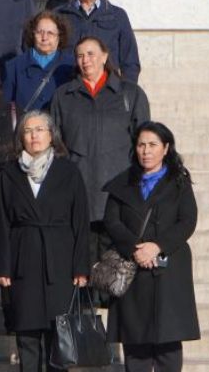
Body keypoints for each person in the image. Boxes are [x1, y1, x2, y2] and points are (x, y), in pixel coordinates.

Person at [0, 110, 89, 372]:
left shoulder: (68, 171)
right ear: (20, 137)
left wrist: (81, 266)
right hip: (24, 260)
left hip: (60, 261)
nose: (34, 136)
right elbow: (2, 222)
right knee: (28, 336)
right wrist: (3, 266)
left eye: (40, 130)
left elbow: (81, 222)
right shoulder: (9, 173)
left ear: (51, 135)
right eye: (28, 130)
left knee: (59, 335)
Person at [103, 122, 200, 372]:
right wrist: (137, 249)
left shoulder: (179, 181)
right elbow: (112, 221)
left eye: (153, 145)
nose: (146, 151)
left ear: (166, 148)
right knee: (136, 344)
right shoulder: (122, 182)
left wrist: (157, 246)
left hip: (170, 272)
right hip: (132, 269)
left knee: (169, 342)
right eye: (141, 145)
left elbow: (187, 221)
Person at [50, 35, 149, 265]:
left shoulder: (130, 94)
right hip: (79, 193)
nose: (86, 60)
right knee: (82, 268)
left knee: (114, 272)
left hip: (118, 196)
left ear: (105, 56)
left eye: (91, 54)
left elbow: (144, 143)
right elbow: (55, 145)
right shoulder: (63, 96)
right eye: (80, 55)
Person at [57, 0, 141, 82]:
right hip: (70, 90)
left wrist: (125, 93)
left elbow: (130, 61)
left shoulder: (117, 16)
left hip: (108, 91)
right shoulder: (60, 15)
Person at [3, 12, 75, 113]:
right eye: (39, 32)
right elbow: (6, 106)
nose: (44, 38)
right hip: (26, 126)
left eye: (50, 33)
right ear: (32, 34)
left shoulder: (71, 65)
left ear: (59, 36)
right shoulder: (14, 66)